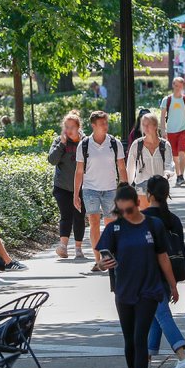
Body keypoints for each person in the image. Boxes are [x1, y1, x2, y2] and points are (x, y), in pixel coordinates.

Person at [95, 185, 179, 368]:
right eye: (121, 211)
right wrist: (102, 264)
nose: (126, 214)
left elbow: (163, 256)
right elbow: (101, 261)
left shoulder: (154, 225)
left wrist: (173, 284)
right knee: (129, 339)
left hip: (149, 290)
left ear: (138, 203)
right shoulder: (114, 229)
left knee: (140, 337)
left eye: (129, 209)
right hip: (124, 291)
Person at [143, 176, 185, 368]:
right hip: (171, 273)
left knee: (162, 314)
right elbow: (182, 250)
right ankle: (146, 358)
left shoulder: (144, 219)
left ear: (149, 195)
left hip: (150, 276)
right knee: (156, 316)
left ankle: (182, 357)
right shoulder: (174, 220)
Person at [74, 111, 128, 271]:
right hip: (90, 189)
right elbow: (78, 172)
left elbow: (122, 167)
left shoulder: (114, 143)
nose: (106, 126)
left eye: (106, 123)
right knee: (94, 222)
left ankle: (109, 255)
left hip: (111, 189)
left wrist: (124, 190)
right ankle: (98, 260)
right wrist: (75, 194)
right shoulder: (84, 145)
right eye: (102, 123)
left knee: (111, 224)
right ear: (93, 125)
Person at [48, 111, 87, 260]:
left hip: (82, 187)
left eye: (72, 127)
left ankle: (78, 249)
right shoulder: (59, 141)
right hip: (62, 187)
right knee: (66, 215)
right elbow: (52, 160)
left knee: (79, 216)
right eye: (66, 127)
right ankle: (63, 246)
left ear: (78, 127)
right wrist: (62, 145)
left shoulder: (85, 142)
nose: (69, 130)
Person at [126, 112, 171, 205]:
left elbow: (169, 165)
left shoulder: (165, 145)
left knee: (158, 216)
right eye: (143, 125)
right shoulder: (137, 145)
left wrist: (165, 177)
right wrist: (127, 187)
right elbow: (130, 169)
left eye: (148, 125)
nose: (145, 128)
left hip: (159, 186)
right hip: (142, 186)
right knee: (144, 216)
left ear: (155, 126)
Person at [160, 77, 185, 188]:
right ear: (173, 85)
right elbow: (162, 116)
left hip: (183, 129)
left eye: (180, 86)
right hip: (171, 130)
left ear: (183, 87)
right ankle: (178, 175)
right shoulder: (167, 100)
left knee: (182, 152)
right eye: (176, 85)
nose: (177, 88)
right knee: (175, 156)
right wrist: (163, 130)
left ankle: (181, 176)